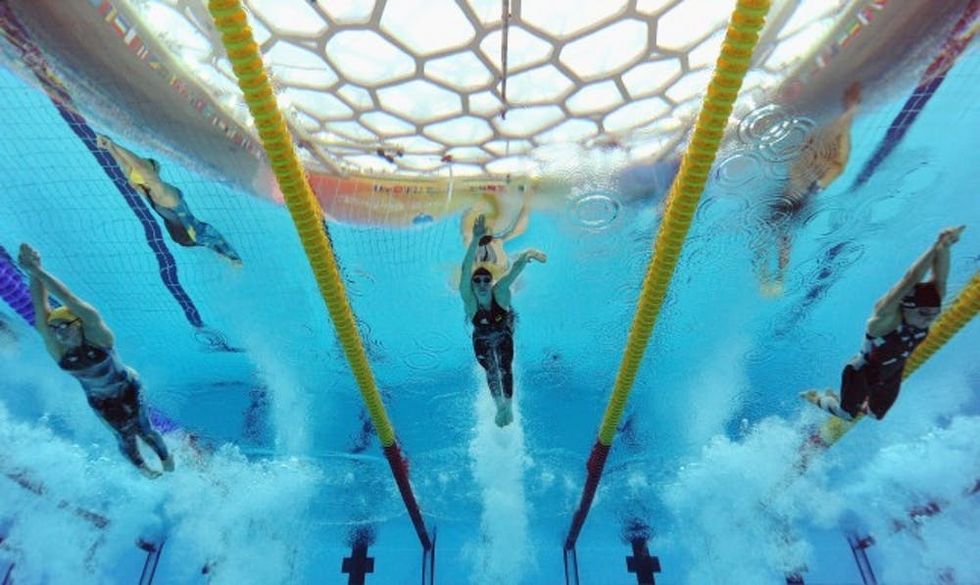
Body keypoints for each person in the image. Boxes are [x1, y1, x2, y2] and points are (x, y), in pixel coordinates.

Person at [18, 243, 174, 477]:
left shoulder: (99, 337)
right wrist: (31, 272)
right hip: (100, 400)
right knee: (123, 435)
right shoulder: (61, 354)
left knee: (145, 429)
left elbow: (69, 300)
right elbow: (42, 312)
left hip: (128, 386)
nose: (59, 332)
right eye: (55, 328)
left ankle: (166, 458)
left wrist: (39, 271)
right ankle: (143, 468)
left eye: (64, 326)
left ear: (78, 323)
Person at [802, 225, 965, 421]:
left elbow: (940, 280)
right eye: (923, 313)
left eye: (934, 313)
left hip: (892, 373)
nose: (929, 318)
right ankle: (820, 398)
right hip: (862, 373)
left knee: (875, 414)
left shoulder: (925, 313)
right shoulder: (885, 320)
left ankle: (857, 401)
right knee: (846, 415)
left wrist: (946, 246)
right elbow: (910, 279)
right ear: (907, 306)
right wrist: (935, 246)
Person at [758, 83, 861, 295]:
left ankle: (774, 276)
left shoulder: (835, 148)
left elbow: (835, 165)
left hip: (801, 191)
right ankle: (775, 276)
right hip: (801, 189)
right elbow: (831, 162)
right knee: (777, 234)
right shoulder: (832, 149)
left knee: (774, 233)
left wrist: (852, 108)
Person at [96, 134, 242, 265]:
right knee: (217, 244)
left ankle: (228, 258)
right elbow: (136, 169)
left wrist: (111, 147)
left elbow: (135, 169)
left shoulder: (153, 191)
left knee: (212, 242)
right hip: (188, 234)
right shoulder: (154, 191)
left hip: (185, 234)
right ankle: (231, 260)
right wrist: (111, 146)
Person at [460, 215, 546, 427]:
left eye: (485, 280)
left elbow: (513, 271)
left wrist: (527, 256)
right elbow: (464, 272)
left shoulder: (499, 293)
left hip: (504, 329)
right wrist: (475, 239)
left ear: (490, 282)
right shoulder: (470, 302)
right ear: (472, 284)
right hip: (481, 335)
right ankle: (500, 406)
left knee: (505, 364)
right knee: (490, 367)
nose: (481, 283)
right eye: (477, 280)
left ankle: (507, 403)